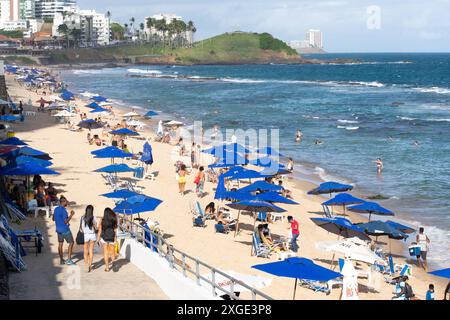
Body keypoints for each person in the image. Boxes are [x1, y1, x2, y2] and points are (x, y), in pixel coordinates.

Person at [53, 196, 75, 265]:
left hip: (58, 230)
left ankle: (61, 260)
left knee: (60, 244)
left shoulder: (56, 209)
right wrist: (71, 215)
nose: (67, 202)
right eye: (66, 201)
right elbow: (65, 221)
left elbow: (53, 218)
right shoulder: (64, 211)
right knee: (71, 243)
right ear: (63, 202)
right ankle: (69, 259)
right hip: (65, 229)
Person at [97, 208, 117, 272]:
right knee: (112, 251)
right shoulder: (114, 219)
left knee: (105, 252)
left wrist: (98, 239)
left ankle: (107, 268)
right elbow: (115, 229)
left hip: (104, 237)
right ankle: (113, 263)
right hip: (112, 237)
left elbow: (99, 230)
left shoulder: (102, 220)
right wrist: (115, 238)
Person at [81, 205, 97, 272]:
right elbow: (95, 227)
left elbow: (82, 227)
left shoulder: (83, 217)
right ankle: (90, 265)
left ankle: (85, 263)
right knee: (91, 250)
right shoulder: (93, 218)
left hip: (86, 235)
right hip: (92, 235)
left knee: (85, 250)